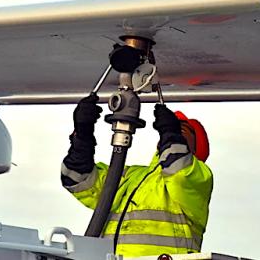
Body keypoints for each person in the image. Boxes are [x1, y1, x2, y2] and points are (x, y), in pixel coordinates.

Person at [60, 94, 213, 257]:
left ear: (197, 146)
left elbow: (179, 170)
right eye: (176, 129)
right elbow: (76, 178)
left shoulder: (199, 177)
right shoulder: (132, 176)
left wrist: (171, 132)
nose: (177, 132)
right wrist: (83, 134)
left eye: (184, 130)